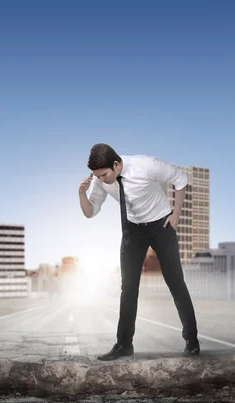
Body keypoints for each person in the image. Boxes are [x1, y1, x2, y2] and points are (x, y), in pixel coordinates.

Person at [78, 143, 200, 360]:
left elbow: (180, 179)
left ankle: (192, 341)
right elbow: (91, 212)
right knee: (128, 288)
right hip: (132, 231)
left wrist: (176, 215)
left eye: (104, 174)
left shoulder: (146, 165)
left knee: (175, 282)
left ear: (115, 164)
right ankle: (124, 345)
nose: (101, 179)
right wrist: (81, 193)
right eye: (97, 176)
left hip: (160, 226)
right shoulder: (100, 180)